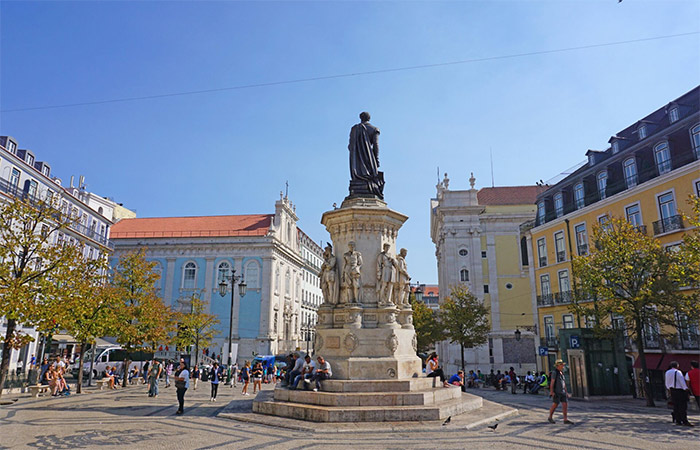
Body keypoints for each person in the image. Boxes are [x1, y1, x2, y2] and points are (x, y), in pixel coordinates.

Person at [348, 111, 384, 198]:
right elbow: (376, 145)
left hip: (356, 159)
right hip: (369, 157)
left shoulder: (355, 129)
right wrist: (376, 159)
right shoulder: (374, 129)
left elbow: (350, 146)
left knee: (359, 174)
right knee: (371, 175)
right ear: (369, 118)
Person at [666, 361, 693, 426]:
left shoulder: (667, 372)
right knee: (682, 407)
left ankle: (678, 420)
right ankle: (684, 420)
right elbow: (682, 382)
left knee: (676, 406)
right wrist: (686, 389)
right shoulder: (678, 372)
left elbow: (667, 382)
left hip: (672, 390)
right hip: (679, 391)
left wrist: (669, 389)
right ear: (677, 366)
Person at [548, 360, 573, 424]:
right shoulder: (555, 373)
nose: (563, 366)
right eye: (561, 365)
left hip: (563, 392)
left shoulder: (562, 373)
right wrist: (552, 391)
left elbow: (563, 383)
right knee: (555, 404)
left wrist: (566, 392)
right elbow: (552, 382)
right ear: (558, 366)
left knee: (565, 405)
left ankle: (565, 419)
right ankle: (550, 417)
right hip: (557, 392)